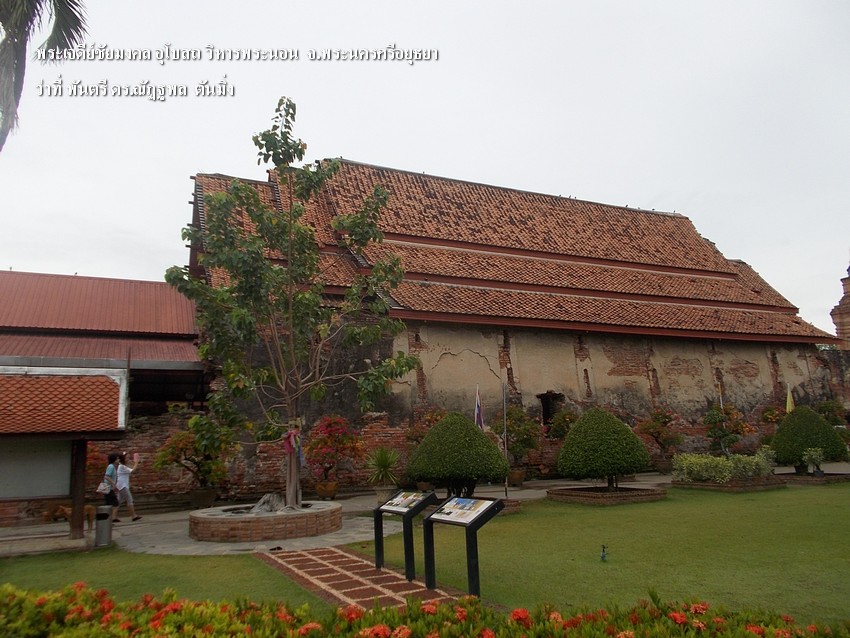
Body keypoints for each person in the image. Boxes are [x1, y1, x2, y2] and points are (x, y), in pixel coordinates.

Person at [116, 452, 142, 522]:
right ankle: (134, 516)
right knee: (129, 499)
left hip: (122, 485)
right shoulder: (122, 466)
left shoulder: (122, 466)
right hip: (123, 486)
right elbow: (133, 471)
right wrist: (136, 462)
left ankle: (113, 516)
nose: (128, 459)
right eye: (126, 457)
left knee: (118, 501)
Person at [103, 453, 120, 522]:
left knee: (108, 503)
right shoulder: (111, 467)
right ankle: (113, 517)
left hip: (107, 487)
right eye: (117, 459)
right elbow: (106, 476)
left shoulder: (112, 467)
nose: (119, 460)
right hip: (107, 487)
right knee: (115, 503)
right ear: (114, 459)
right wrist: (113, 483)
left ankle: (108, 518)